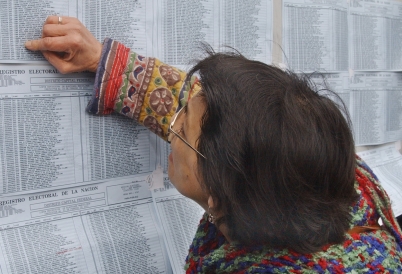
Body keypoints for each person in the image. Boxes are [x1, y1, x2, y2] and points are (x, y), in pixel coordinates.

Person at [25, 16, 402, 273]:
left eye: (181, 129)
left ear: (220, 197)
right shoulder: (323, 172)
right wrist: (102, 61)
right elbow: (216, 115)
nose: (169, 125)